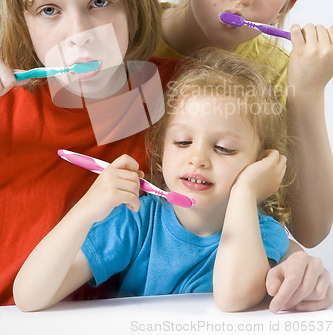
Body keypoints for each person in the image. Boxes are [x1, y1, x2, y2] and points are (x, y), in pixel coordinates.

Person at [12, 49, 328, 313]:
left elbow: (234, 299)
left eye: (223, 148)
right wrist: (87, 210)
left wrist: (246, 191)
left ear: (260, 164)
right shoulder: (136, 220)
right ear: (162, 148)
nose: (198, 159)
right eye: (182, 142)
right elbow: (29, 297)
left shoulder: (261, 233)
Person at [0, 0, 178, 306]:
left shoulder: (177, 91)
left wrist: (287, 257)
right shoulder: (8, 107)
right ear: (22, 27)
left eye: (99, 2)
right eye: (49, 11)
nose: (78, 33)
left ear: (133, 4)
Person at [155, 0, 333, 248]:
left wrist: (307, 91)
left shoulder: (277, 71)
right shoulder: (130, 37)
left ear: (285, 6)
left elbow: (311, 230)